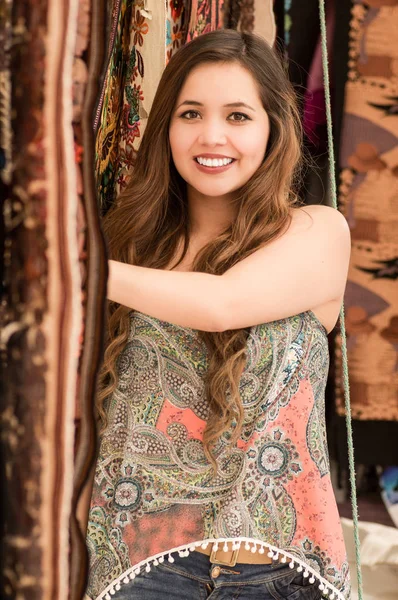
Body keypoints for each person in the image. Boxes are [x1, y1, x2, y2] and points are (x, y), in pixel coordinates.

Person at [84, 29, 351, 600]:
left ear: (273, 128)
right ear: (167, 128)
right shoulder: (125, 247)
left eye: (237, 116)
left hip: (282, 572)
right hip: (134, 568)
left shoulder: (316, 232)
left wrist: (74, 268)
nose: (211, 136)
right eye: (190, 113)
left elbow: (220, 303)